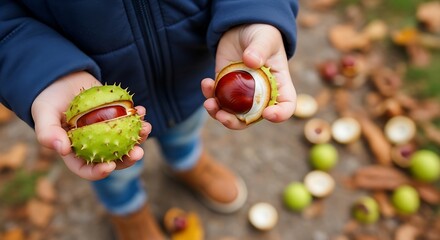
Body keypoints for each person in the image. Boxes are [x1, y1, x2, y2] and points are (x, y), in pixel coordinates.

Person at [0, 0, 298, 239]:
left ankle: (187, 162)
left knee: (186, 129)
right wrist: (43, 72)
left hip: (188, 70)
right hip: (90, 76)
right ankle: (127, 209)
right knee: (114, 171)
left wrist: (255, 11)